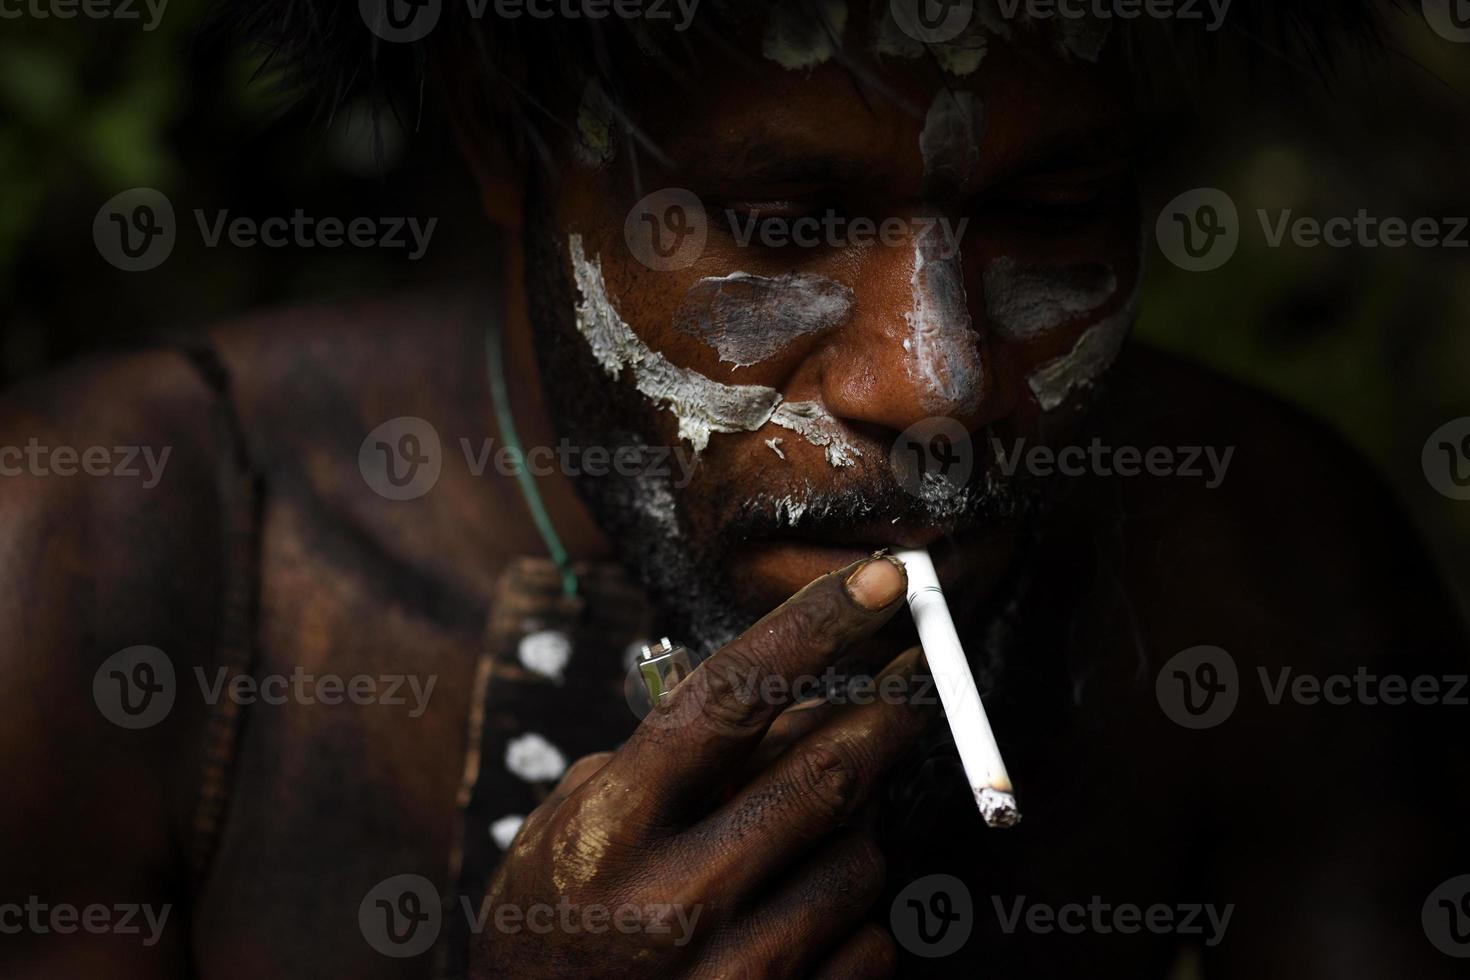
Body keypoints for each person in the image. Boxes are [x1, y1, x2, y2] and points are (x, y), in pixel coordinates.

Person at [1, 2, 1465, 977]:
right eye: (784, 221)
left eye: (1052, 215)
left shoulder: (1262, 564)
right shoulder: (110, 549)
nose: (936, 385)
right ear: (506, 138)